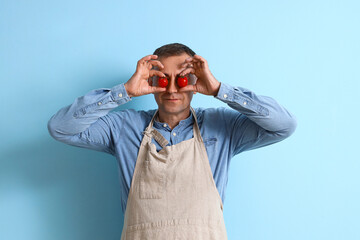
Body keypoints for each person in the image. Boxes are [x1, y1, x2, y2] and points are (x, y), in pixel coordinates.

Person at [47, 43, 297, 239]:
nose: (172, 89)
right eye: (163, 79)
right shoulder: (124, 128)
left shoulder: (223, 127)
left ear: (196, 80)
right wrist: (125, 91)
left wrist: (220, 89)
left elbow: (283, 125)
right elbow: (60, 128)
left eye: (183, 78)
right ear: (151, 81)